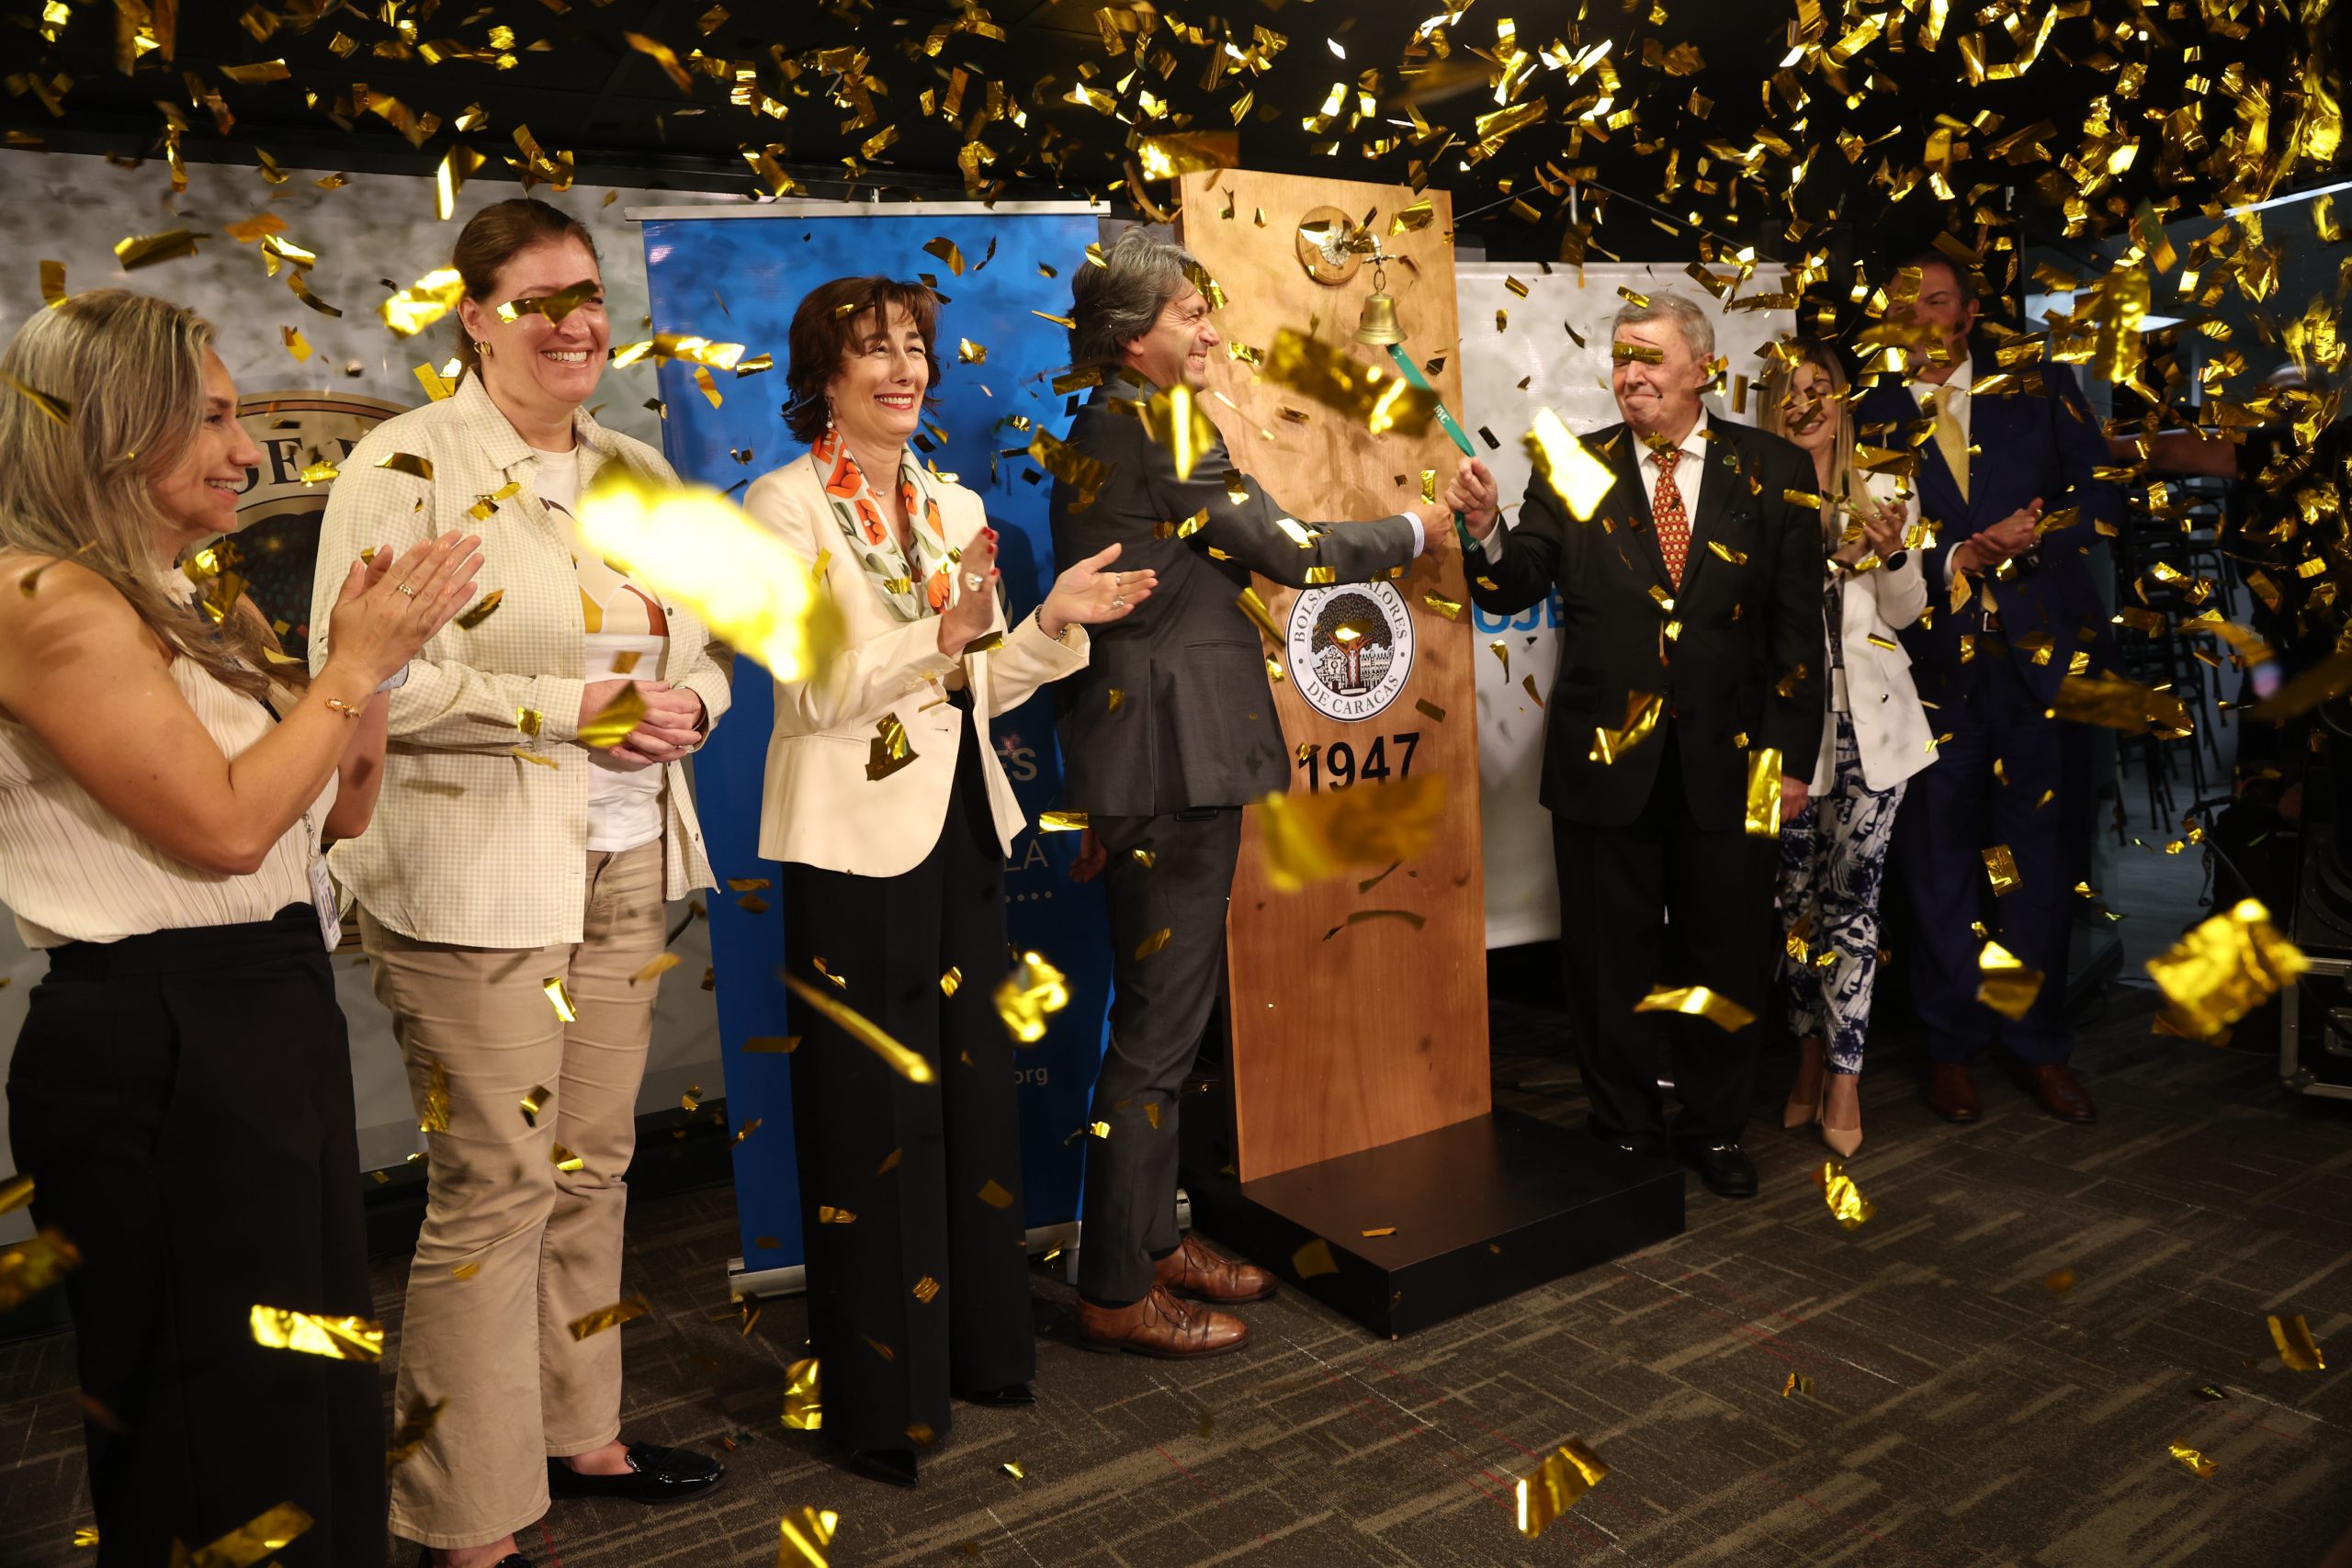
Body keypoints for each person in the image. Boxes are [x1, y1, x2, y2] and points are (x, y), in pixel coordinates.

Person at [0, 290, 481, 1565]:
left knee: (311, 1382)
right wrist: (341, 674)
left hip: (268, 1009)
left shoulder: (193, 599)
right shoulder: (45, 599)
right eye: (210, 417)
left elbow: (323, 817)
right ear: (113, 429)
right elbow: (219, 829)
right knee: (215, 1410)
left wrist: (366, 667)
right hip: (159, 1033)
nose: (244, 449)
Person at [311, 198, 732, 1568]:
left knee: (593, 1162)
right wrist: (579, 708)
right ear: (477, 316)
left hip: (623, 858)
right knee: (493, 1185)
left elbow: (710, 645)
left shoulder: (634, 467)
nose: (576, 324)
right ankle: (462, 1519)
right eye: (541, 300)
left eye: (590, 295)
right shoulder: (404, 463)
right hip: (470, 878)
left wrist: (689, 705)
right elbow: (372, 669)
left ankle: (578, 1432)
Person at [743, 275, 1148, 1489]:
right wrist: (942, 634)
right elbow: (813, 689)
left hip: (966, 823)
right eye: (875, 350)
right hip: (851, 842)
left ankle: (982, 1345)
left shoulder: (953, 498)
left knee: (973, 1101)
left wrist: (1049, 626)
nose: (904, 367)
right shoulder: (781, 504)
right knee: (872, 1120)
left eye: (915, 346)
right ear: (825, 375)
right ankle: (882, 1395)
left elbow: (982, 688)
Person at [1051, 227, 1451, 1354]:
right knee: (1156, 1039)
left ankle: (1147, 1240)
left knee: (1162, 1029)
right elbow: (1295, 551)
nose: (1211, 330)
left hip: (1149, 762)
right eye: (1190, 314)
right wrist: (1419, 526)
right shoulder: (1149, 424)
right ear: (1135, 337)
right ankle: (1118, 1289)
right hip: (1167, 762)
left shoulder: (1110, 428)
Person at [1446, 291, 1824, 1199]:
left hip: (1733, 768)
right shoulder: (1575, 463)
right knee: (1605, 958)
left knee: (1724, 955)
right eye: (1620, 358)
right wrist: (1486, 530)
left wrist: (1791, 766)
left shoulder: (1771, 469)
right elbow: (1512, 587)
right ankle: (1620, 1127)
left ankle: (1715, 1128)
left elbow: (1795, 639)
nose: (1631, 374)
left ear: (1702, 369)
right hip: (1601, 765)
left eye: (1650, 358)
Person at [1852, 252, 2120, 1126]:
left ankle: (2037, 1046)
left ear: (1968, 314)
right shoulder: (1871, 414)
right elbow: (1869, 546)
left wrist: (2030, 539)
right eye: (1903, 302)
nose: (1920, 316)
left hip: (2037, 669)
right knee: (1938, 865)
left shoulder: (2038, 389)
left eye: (1935, 301)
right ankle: (1950, 1049)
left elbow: (2105, 495)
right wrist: (1958, 555)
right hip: (1930, 674)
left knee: (2037, 865)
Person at [1758, 339, 1935, 1158]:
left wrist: (1892, 549)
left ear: (1841, 400)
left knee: (1853, 909)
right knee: (1792, 911)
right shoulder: (1748, 492)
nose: (1807, 403)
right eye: (1791, 391)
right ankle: (1802, 1061)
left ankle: (1844, 1076)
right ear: (1771, 405)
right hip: (1779, 742)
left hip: (1875, 737)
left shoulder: (1888, 485)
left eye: (1819, 388)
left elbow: (1907, 610)